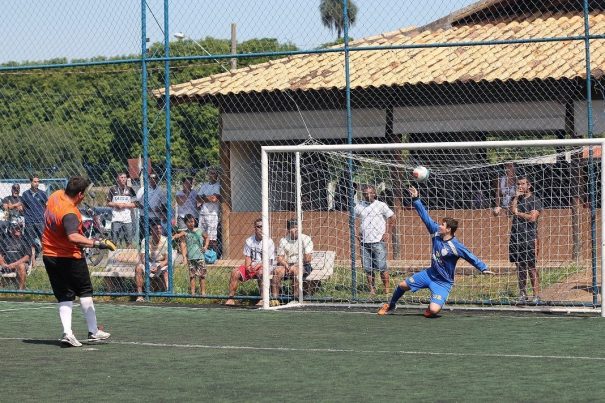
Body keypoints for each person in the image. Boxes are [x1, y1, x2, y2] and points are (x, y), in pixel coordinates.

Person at [378, 186, 493, 317]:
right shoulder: (435, 232)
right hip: (429, 274)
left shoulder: (456, 246)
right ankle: (391, 306)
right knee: (402, 285)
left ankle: (433, 301)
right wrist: (416, 198)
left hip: (443, 282)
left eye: (442, 225)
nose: (439, 226)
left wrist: (483, 268)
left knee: (433, 310)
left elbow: (469, 256)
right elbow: (425, 216)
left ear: (449, 229)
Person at [42, 176, 115, 347]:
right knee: (85, 291)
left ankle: (68, 333)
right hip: (69, 257)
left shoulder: (55, 195)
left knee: (64, 295)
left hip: (49, 254)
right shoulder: (70, 213)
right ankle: (93, 331)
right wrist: (98, 243)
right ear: (80, 194)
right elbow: (73, 236)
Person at [354, 184, 395, 295]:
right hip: (364, 242)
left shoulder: (381, 205)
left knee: (382, 267)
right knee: (368, 268)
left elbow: (392, 217)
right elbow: (351, 219)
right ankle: (372, 290)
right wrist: (355, 232)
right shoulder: (359, 206)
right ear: (362, 195)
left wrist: (388, 232)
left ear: (374, 194)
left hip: (378, 242)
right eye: (365, 194)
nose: (368, 195)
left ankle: (386, 290)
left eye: (370, 193)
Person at [225, 218, 277, 306]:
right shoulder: (249, 241)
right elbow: (248, 257)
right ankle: (231, 299)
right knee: (235, 272)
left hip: (266, 266)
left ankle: (263, 299)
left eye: (263, 226)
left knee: (261, 272)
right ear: (255, 228)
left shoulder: (269, 241)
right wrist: (248, 267)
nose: (261, 229)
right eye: (259, 226)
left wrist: (258, 266)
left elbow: (269, 261)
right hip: (252, 266)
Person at [509, 176, 543, 303]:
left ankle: (536, 295)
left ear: (529, 185)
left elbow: (533, 218)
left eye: (522, 184)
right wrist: (516, 197)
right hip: (515, 237)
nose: (520, 186)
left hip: (529, 238)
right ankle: (522, 294)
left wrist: (519, 213)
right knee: (520, 267)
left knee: (531, 267)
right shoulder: (517, 199)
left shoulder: (534, 200)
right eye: (518, 184)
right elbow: (512, 211)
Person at [273, 219, 314, 301]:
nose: (296, 230)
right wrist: (286, 264)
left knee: (296, 271)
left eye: (297, 227)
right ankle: (275, 299)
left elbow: (308, 259)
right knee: (277, 271)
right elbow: (280, 257)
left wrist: (296, 265)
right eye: (293, 228)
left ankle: (295, 298)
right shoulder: (283, 240)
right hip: (288, 265)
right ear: (288, 230)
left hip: (303, 265)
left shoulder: (306, 239)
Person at [135, 221, 169, 301]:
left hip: (161, 262)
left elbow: (167, 260)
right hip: (148, 262)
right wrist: (148, 266)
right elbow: (143, 257)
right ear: (151, 230)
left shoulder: (165, 240)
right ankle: (140, 295)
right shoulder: (145, 240)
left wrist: (159, 266)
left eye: (160, 228)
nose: (158, 230)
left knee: (166, 272)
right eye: (156, 228)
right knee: (138, 268)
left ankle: (166, 294)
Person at [176, 213, 209, 296]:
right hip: (191, 258)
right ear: (186, 223)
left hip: (200, 257)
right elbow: (180, 235)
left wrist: (205, 246)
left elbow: (207, 237)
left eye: (193, 222)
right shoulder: (186, 232)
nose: (192, 224)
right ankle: (193, 293)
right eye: (189, 222)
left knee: (202, 276)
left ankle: (203, 293)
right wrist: (175, 236)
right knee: (192, 276)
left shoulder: (199, 231)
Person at [106, 172, 137, 246]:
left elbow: (135, 204)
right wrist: (116, 204)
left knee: (129, 241)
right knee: (114, 241)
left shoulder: (130, 189)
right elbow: (108, 203)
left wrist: (125, 205)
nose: (123, 179)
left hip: (127, 219)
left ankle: (128, 255)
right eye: (121, 177)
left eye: (125, 177)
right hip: (116, 218)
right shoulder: (113, 189)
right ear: (117, 179)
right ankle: (114, 255)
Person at [21, 175, 48, 256]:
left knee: (44, 241)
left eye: (38, 182)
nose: (37, 183)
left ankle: (47, 257)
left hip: (40, 221)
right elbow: (23, 207)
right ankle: (30, 260)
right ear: (31, 182)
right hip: (29, 221)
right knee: (29, 242)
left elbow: (47, 206)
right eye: (35, 182)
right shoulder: (25, 194)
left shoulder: (42, 194)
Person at [136, 172, 167, 239]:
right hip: (144, 216)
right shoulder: (142, 190)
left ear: (157, 179)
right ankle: (143, 248)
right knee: (143, 236)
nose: (153, 180)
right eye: (151, 178)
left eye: (155, 178)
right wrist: (145, 208)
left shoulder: (161, 190)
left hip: (156, 217)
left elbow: (164, 205)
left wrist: (160, 209)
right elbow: (136, 203)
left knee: (156, 236)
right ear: (148, 179)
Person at [0, 223, 30, 290]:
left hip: (20, 264)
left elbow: (27, 257)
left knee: (21, 266)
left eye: (20, 228)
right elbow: (0, 254)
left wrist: (14, 264)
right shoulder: (5, 240)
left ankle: (21, 290)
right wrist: (3, 264)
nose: (19, 229)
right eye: (16, 228)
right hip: (6, 265)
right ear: (11, 230)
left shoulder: (25, 240)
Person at [197, 168, 220, 254]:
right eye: (210, 173)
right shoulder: (204, 185)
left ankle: (214, 254)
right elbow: (197, 197)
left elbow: (214, 199)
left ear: (217, 175)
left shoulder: (218, 186)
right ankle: (203, 254)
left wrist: (203, 197)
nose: (211, 175)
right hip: (203, 213)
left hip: (213, 214)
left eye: (213, 173)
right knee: (202, 235)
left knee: (212, 237)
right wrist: (208, 197)